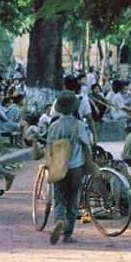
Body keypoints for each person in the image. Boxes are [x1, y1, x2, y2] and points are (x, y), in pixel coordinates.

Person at [47, 91, 91, 244]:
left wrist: (50, 165)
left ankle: (59, 220)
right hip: (76, 167)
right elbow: (86, 145)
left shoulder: (54, 126)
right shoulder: (78, 125)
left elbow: (49, 148)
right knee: (73, 200)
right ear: (74, 108)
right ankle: (68, 234)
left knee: (59, 199)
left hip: (59, 167)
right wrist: (89, 164)